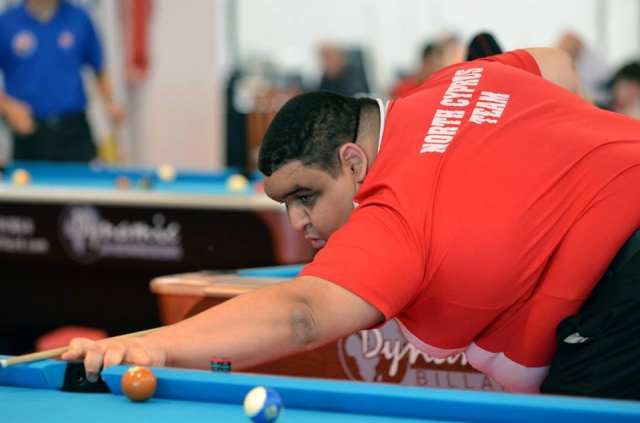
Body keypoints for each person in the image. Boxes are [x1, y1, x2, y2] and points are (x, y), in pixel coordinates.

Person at [64, 47, 640, 399]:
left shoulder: (392, 217)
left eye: (306, 195)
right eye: (284, 204)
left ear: (353, 161)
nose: (299, 221)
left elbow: (301, 314)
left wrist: (149, 346)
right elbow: (557, 65)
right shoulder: (458, 81)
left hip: (622, 295)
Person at [0, 0, 123, 162]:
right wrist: (7, 107)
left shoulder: (79, 17)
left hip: (75, 132)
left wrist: (110, 102)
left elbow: (98, 66)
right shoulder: (6, 23)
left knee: (86, 176)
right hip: (29, 134)